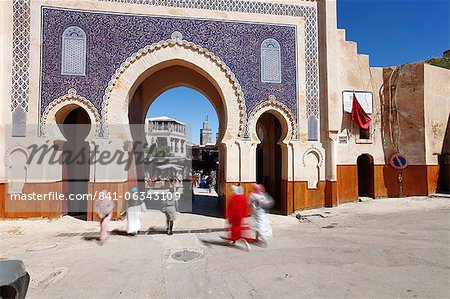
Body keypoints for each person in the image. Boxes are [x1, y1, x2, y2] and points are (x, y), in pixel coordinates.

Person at [224, 185, 251, 250]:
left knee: (235, 231)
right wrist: (245, 216)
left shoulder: (233, 199)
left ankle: (238, 241)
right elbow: (246, 208)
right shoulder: (243, 198)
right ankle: (235, 241)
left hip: (234, 218)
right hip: (240, 217)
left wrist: (229, 218)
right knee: (239, 230)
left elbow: (230, 209)